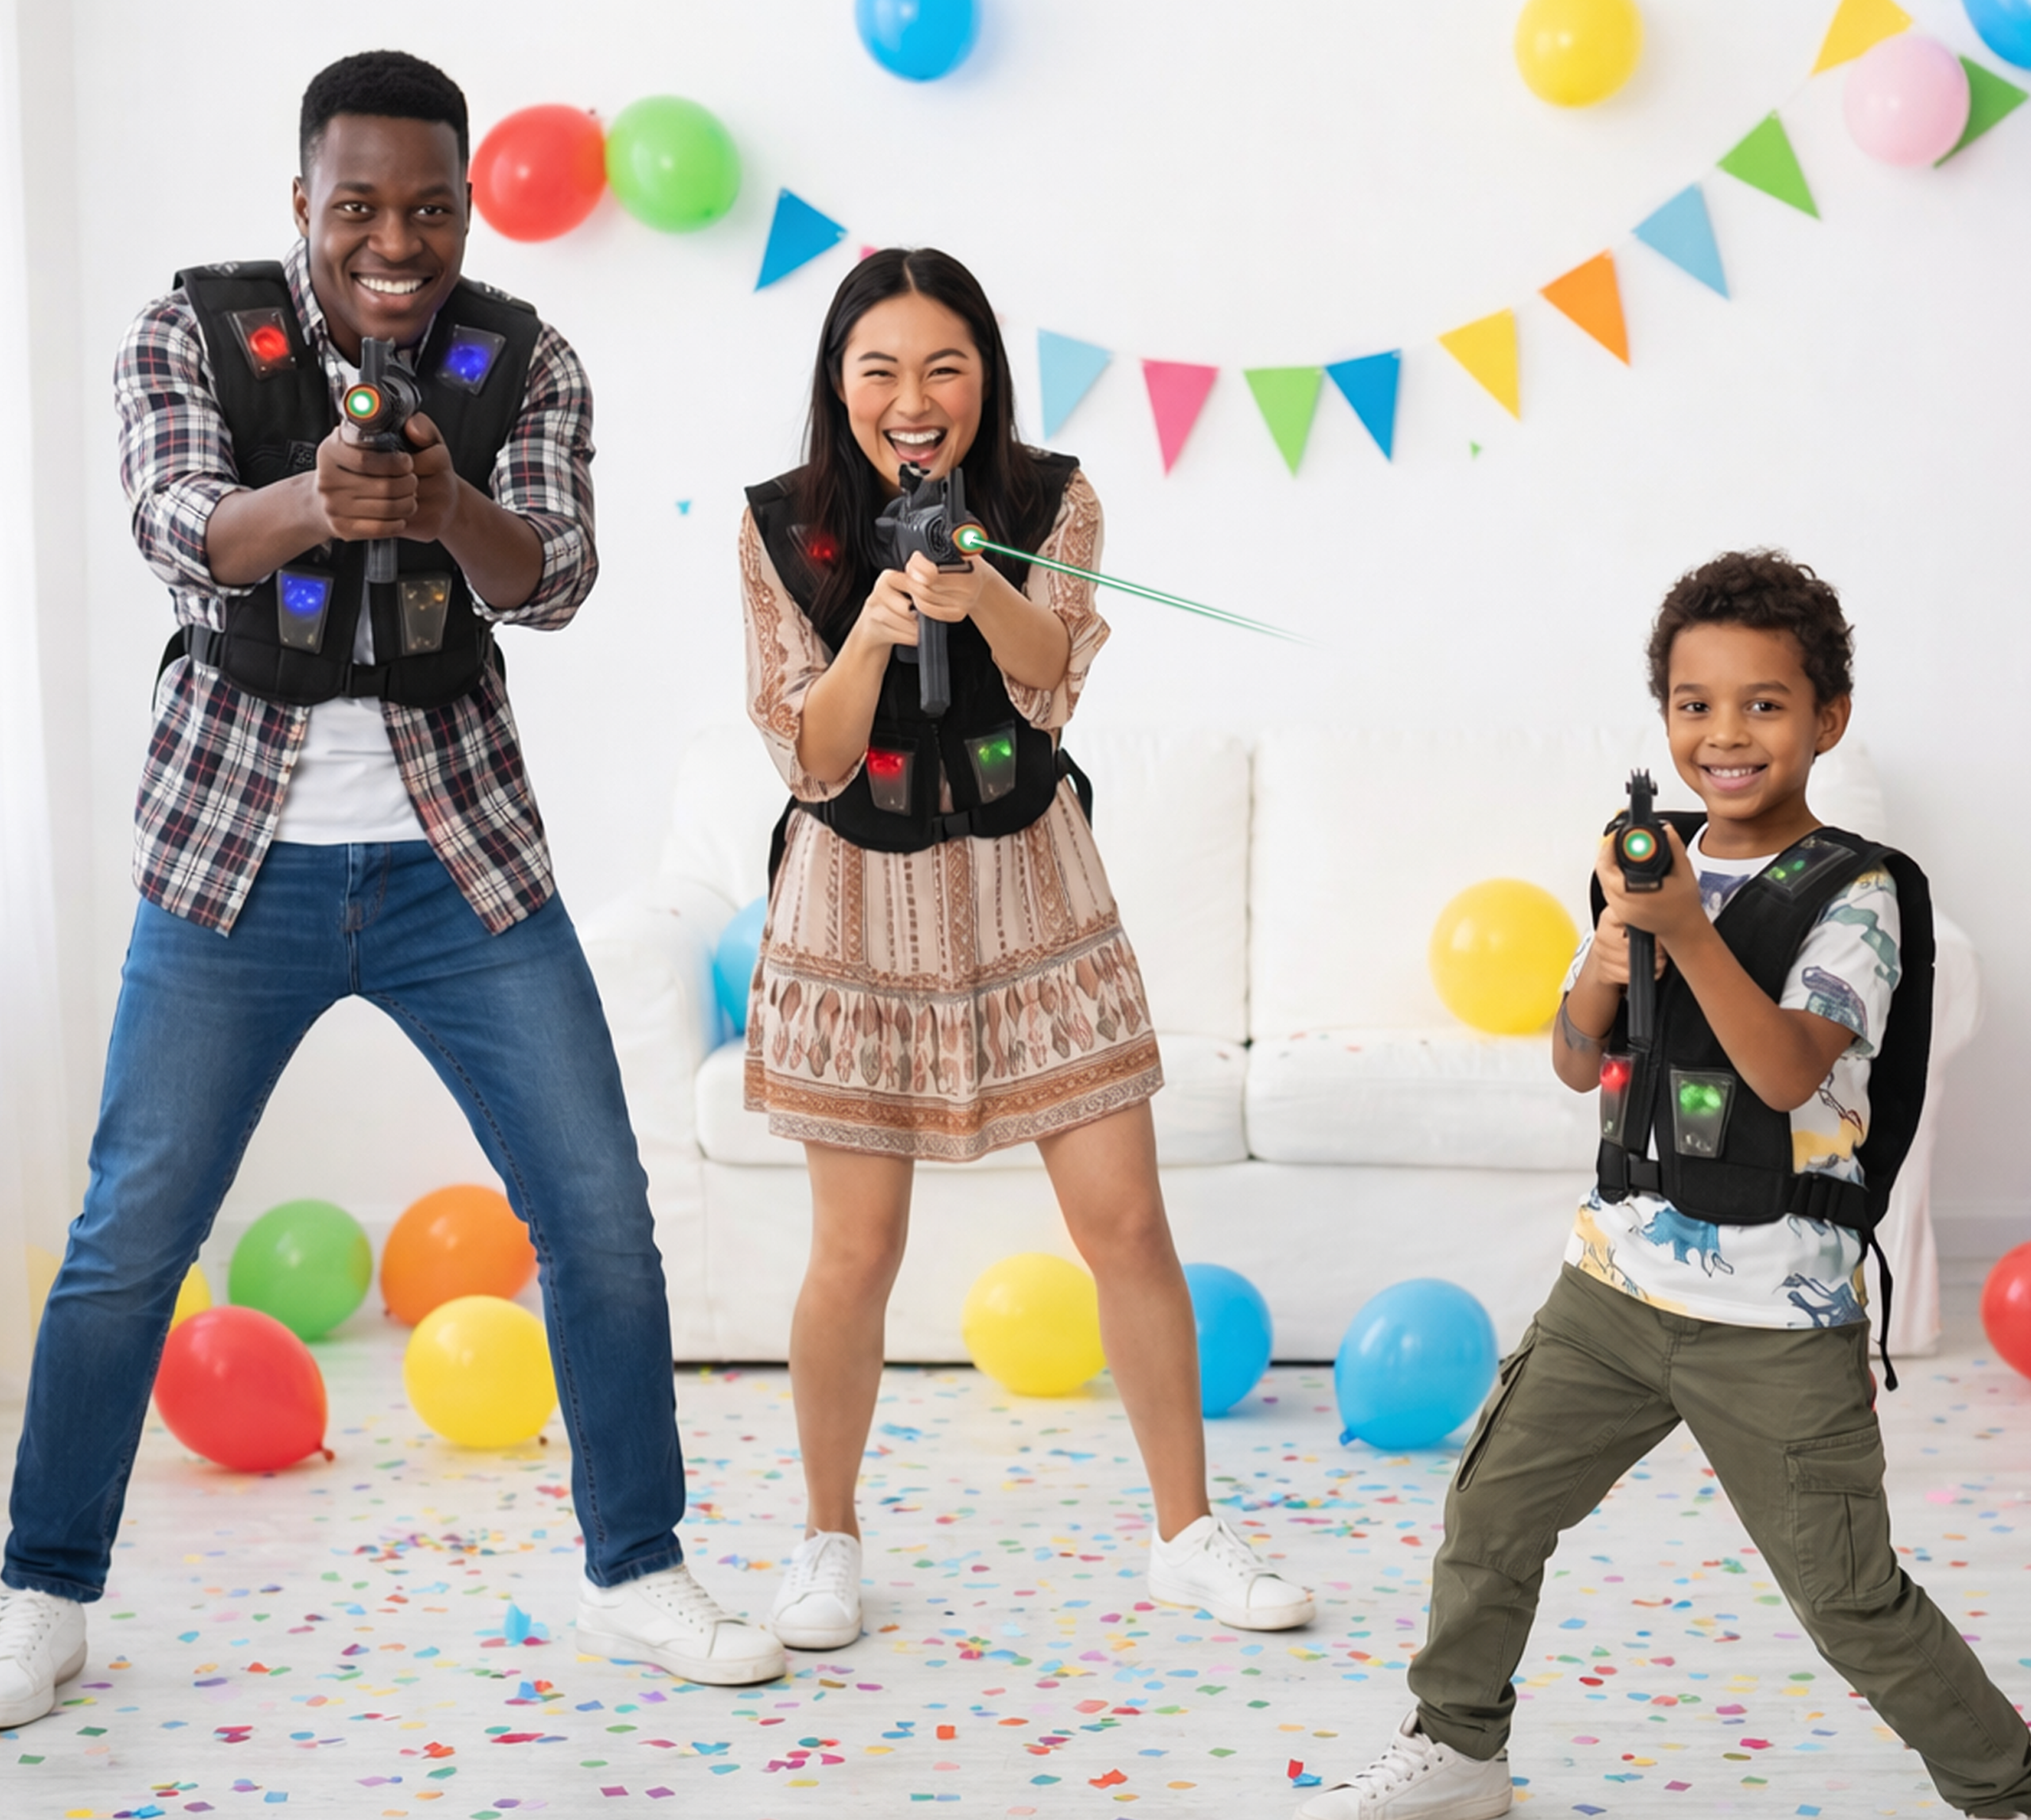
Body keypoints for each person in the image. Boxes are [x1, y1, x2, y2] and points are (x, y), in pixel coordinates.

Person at [0, 52, 784, 1732]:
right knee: (130, 1239)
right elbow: (171, 518)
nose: (394, 241)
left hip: (461, 864)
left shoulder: (528, 357)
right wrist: (314, 500)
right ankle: (41, 1591)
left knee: (595, 1218)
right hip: (229, 861)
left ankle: (635, 1564)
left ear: (468, 203)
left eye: (429, 207)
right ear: (302, 204)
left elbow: (557, 575)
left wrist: (447, 507)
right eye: (356, 206)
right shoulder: (192, 327)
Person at [1299, 552, 2031, 1819]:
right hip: (1616, 1287)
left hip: (1779, 1319)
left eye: (1763, 703)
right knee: (1489, 1513)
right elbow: (1581, 1062)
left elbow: (1793, 1070)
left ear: (1827, 720)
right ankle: (1461, 1746)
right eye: (1695, 704)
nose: (1726, 734)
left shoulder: (1858, 893)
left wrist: (1689, 927)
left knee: (1848, 1593)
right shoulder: (1649, 870)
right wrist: (1618, 938)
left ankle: (2005, 1778)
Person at [739, 247, 1314, 1652]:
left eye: (945, 365)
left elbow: (1054, 680)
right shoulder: (777, 526)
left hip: (1032, 885)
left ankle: (1187, 1532)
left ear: (985, 375)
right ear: (840, 385)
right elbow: (807, 755)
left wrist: (975, 593)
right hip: (851, 903)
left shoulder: (1052, 501)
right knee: (853, 1252)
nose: (914, 397)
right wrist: (873, 633)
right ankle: (827, 1541)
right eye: (880, 369)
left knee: (1125, 1220)